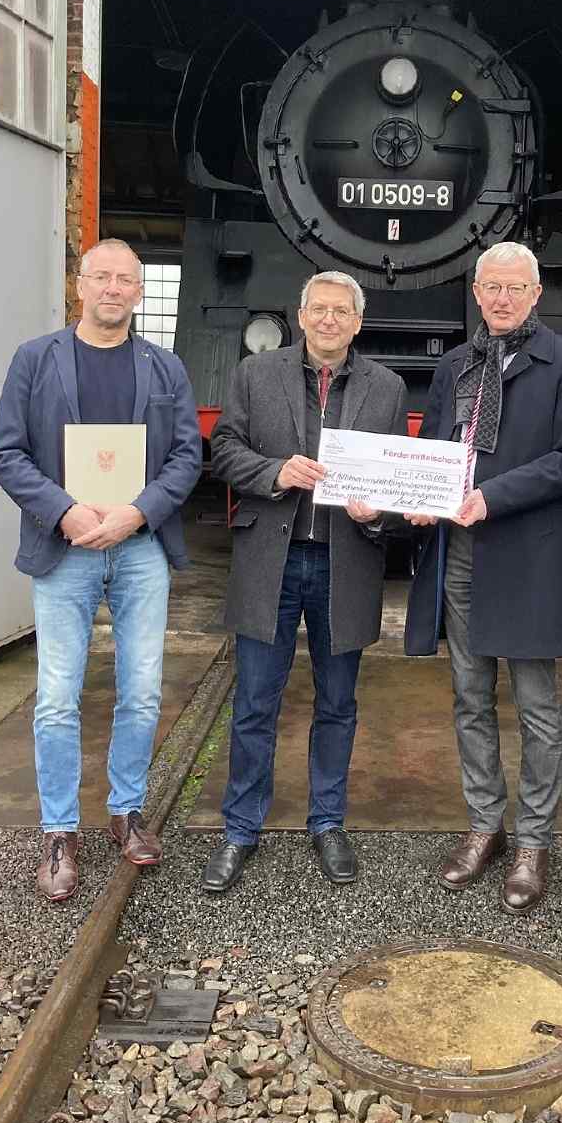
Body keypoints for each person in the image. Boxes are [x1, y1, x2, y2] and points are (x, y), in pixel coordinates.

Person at [0, 238, 202, 902]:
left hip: (140, 548)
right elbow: (6, 453)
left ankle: (126, 810)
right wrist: (66, 511)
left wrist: (138, 512)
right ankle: (59, 830)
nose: (113, 288)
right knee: (57, 696)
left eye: (125, 279)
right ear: (80, 285)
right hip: (66, 548)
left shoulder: (165, 367)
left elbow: (187, 457)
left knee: (142, 690)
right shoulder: (34, 360)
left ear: (139, 291)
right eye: (101, 276)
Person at [404, 242, 562, 915]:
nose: (503, 298)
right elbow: (437, 448)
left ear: (536, 294)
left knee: (538, 707)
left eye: (516, 287)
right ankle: (485, 826)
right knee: (469, 698)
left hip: (528, 555)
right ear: (477, 293)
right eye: (492, 286)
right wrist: (421, 495)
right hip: (462, 552)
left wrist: (494, 496)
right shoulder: (455, 365)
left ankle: (534, 842)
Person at [203, 271, 408, 893]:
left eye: (341, 311)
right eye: (318, 308)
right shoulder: (255, 374)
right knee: (253, 703)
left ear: (357, 322)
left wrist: (378, 511)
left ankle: (328, 822)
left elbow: (398, 475)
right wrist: (274, 472)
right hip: (272, 558)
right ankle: (240, 829)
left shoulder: (387, 387)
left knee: (338, 703)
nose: (328, 319)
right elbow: (224, 450)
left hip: (346, 562)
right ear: (300, 314)